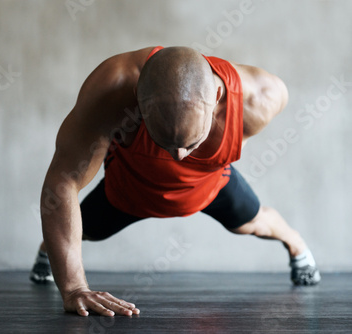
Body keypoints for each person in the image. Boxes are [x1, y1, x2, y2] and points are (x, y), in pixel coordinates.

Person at [30, 46, 321, 317]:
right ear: (137, 102)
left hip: (209, 184)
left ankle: (296, 243)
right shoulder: (111, 92)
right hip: (130, 187)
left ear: (217, 97)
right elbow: (63, 181)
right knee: (84, 230)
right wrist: (74, 288)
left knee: (254, 222)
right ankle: (48, 248)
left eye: (191, 143)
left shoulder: (261, 98)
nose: (179, 156)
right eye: (165, 142)